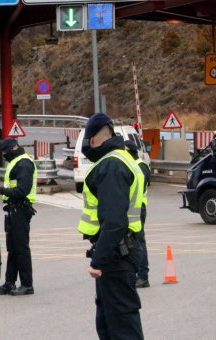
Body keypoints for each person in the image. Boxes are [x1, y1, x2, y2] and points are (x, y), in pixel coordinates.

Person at [77, 113, 145, 340]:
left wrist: (99, 258)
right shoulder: (123, 158)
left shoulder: (111, 166)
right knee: (109, 325)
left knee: (122, 330)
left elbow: (115, 222)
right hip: (121, 252)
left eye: (87, 142)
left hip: (116, 256)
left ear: (95, 140)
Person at [0, 137, 37, 296]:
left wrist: (1, 190)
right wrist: (1, 192)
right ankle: (9, 282)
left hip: (20, 209)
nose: (4, 155)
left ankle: (27, 284)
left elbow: (23, 190)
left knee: (21, 247)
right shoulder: (15, 162)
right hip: (12, 209)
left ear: (13, 148)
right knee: (13, 248)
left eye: (5, 152)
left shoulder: (23, 163)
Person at [125, 140, 151, 289]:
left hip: (137, 208)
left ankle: (143, 276)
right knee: (130, 242)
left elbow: (138, 189)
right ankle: (134, 274)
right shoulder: (132, 165)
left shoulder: (140, 166)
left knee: (138, 241)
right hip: (130, 208)